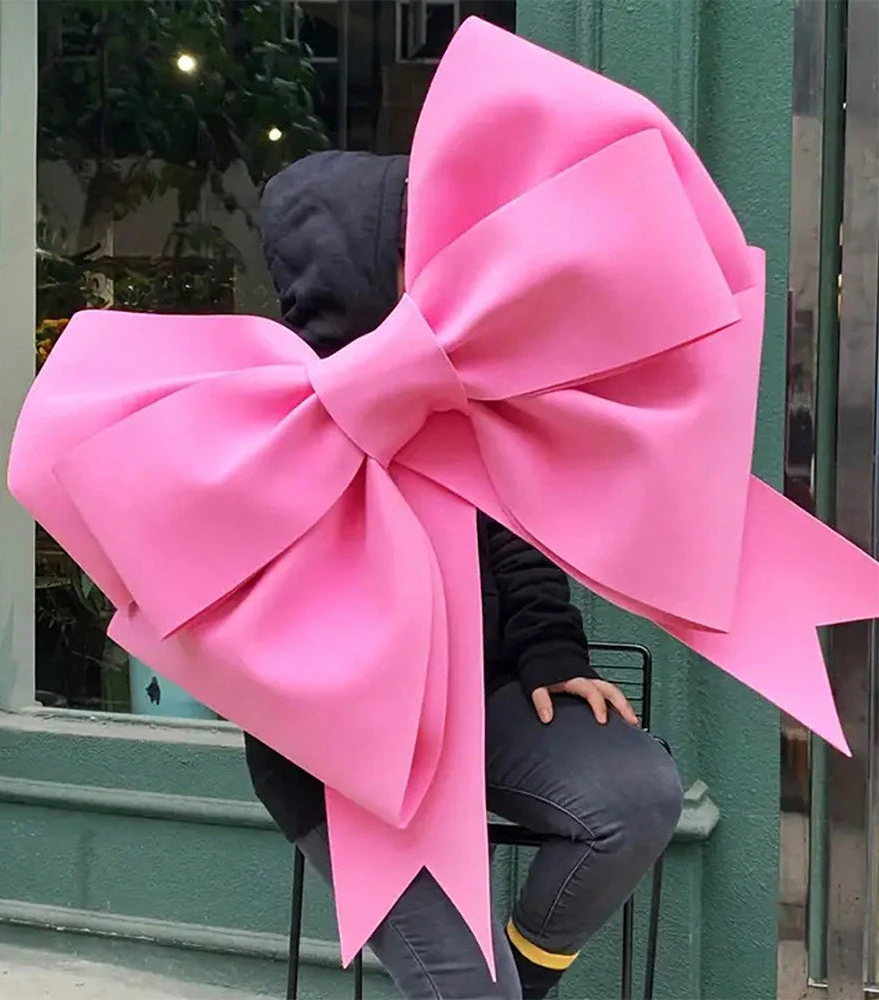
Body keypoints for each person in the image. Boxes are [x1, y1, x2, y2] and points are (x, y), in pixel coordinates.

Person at [244, 150, 684, 1000]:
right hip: (340, 755)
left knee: (636, 798)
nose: (446, 259)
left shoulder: (456, 384)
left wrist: (557, 656)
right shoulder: (269, 420)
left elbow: (515, 534)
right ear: (359, 262)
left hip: (482, 702)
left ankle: (519, 975)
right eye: (417, 241)